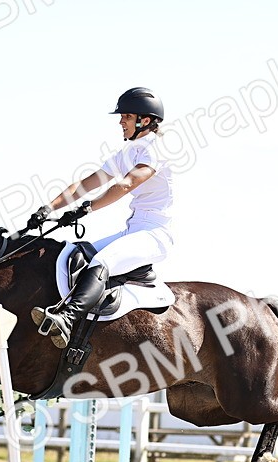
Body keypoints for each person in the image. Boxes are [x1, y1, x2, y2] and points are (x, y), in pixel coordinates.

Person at [28, 87, 175, 349]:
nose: (121, 122)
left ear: (145, 120)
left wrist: (88, 208)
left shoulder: (155, 149)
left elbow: (127, 184)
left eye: (126, 116)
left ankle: (67, 318)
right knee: (76, 253)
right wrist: (48, 208)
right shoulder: (127, 152)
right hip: (133, 231)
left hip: (155, 235)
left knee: (102, 261)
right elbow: (85, 184)